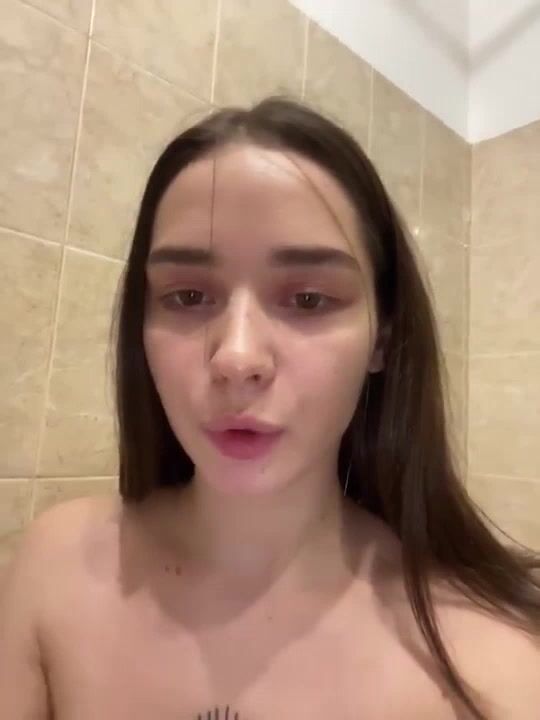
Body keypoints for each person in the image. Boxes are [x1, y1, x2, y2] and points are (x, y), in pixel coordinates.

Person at [1, 97, 539, 720]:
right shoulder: (54, 570)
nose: (237, 357)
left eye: (308, 299)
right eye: (188, 296)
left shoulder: (493, 661)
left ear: (383, 338)